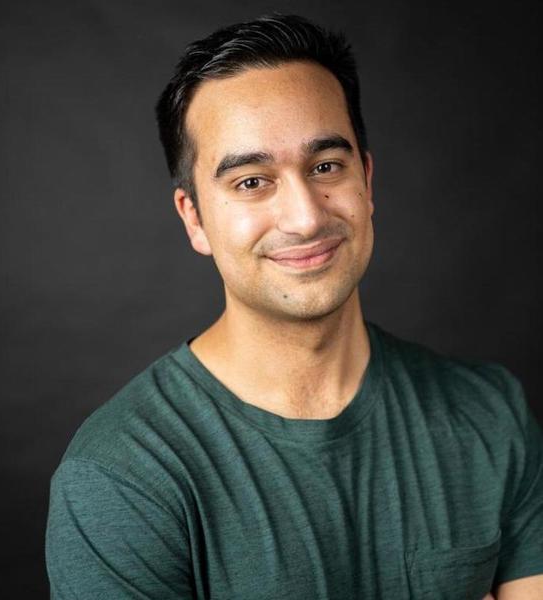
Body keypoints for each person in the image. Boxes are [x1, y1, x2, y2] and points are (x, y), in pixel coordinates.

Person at [45, 13, 543, 599]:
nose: (306, 217)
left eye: (326, 166)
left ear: (366, 180)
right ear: (194, 217)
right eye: (251, 182)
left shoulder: (491, 415)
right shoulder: (120, 476)